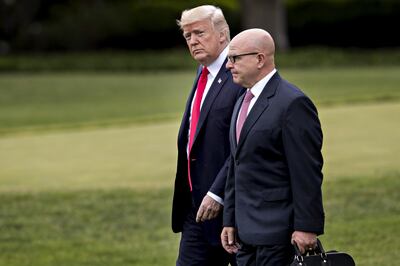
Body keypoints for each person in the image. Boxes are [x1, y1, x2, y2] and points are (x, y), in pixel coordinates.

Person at [221, 28, 325, 266]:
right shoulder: (242, 101)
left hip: (279, 236)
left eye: (234, 58)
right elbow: (236, 166)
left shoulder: (293, 103)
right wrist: (230, 219)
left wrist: (307, 227)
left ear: (260, 59)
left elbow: (306, 172)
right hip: (244, 235)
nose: (228, 65)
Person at [171, 5, 245, 266]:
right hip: (196, 208)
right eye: (188, 36)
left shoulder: (238, 75)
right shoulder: (203, 72)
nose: (193, 41)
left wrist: (217, 193)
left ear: (223, 35)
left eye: (199, 33)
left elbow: (242, 145)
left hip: (231, 209)